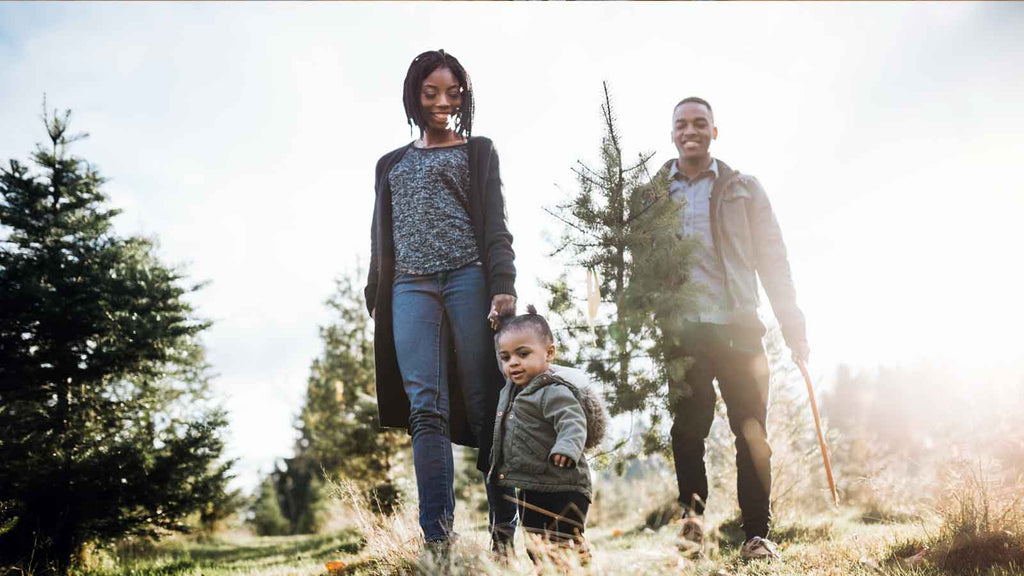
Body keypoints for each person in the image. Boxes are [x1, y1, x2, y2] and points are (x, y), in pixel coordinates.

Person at [364, 49, 518, 553]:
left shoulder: (479, 151)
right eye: (431, 93)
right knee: (424, 410)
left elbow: (495, 225)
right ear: (414, 95)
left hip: (467, 278)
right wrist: (375, 293)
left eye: (453, 93)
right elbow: (378, 235)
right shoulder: (391, 164)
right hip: (408, 288)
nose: (442, 102)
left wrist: (503, 283)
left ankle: (502, 533)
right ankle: (437, 539)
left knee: (485, 401)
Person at [658, 97, 809, 560]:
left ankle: (757, 535)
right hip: (684, 333)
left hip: (740, 330)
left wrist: (792, 326)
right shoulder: (652, 193)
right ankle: (692, 528)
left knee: (752, 433)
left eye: (700, 123)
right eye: (682, 124)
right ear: (672, 134)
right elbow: (636, 269)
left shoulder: (744, 189)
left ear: (714, 132)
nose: (691, 131)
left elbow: (773, 259)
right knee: (688, 431)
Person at [488, 306, 607, 565]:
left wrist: (566, 446)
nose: (514, 363)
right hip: (532, 486)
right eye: (506, 358)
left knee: (564, 540)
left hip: (566, 484)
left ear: (549, 353)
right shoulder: (512, 390)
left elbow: (573, 420)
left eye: (523, 354)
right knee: (535, 544)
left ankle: (579, 562)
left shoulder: (552, 390)